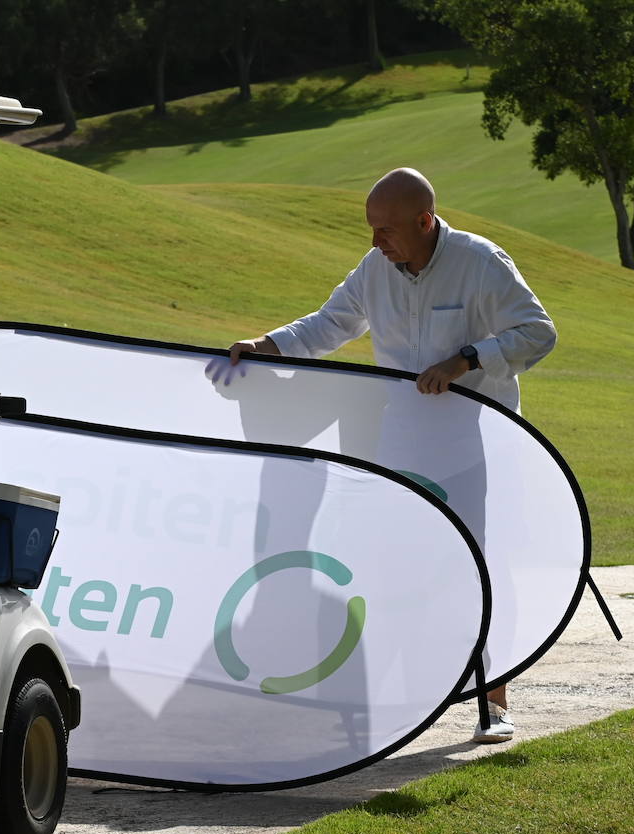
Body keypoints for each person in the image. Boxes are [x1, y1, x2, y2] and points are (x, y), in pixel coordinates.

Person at [228, 167, 557, 743]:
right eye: (372, 230)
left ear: (426, 221)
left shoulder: (481, 262)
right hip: (402, 445)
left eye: (387, 230)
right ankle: (401, 699)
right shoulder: (375, 268)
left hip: (476, 443)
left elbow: (537, 331)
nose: (376, 242)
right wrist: (266, 345)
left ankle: (494, 701)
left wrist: (467, 359)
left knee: (478, 566)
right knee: (400, 566)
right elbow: (331, 324)